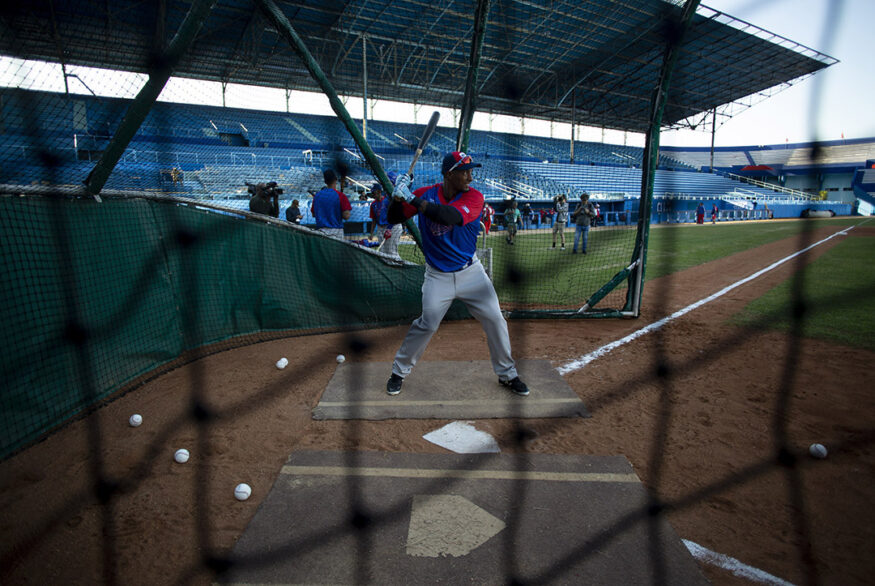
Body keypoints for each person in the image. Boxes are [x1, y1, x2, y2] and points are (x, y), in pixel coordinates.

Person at [384, 151, 529, 397]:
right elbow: (393, 217)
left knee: (495, 319)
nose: (470, 177)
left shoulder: (474, 197)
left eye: (471, 171)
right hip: (437, 275)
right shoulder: (425, 194)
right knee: (427, 324)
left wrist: (413, 199)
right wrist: (397, 198)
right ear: (450, 175)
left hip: (470, 273)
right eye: (465, 172)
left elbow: (449, 216)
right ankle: (398, 372)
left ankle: (507, 374)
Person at [311, 169, 351, 238]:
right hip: (336, 231)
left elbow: (314, 214)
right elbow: (346, 216)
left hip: (321, 231)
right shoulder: (340, 196)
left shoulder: (317, 196)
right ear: (335, 180)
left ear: (325, 181)